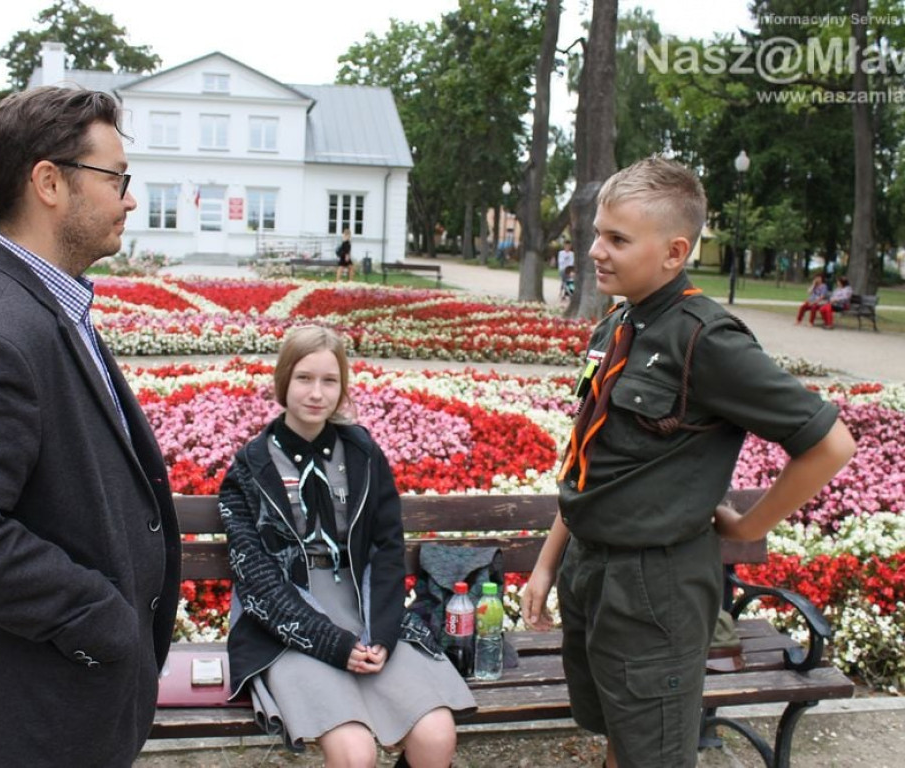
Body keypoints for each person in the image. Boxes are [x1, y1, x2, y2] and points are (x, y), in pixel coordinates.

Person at [520, 156, 856, 768]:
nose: (595, 250)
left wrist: (749, 526)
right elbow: (589, 461)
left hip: (654, 587)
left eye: (618, 239)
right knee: (622, 733)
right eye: (597, 233)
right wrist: (547, 565)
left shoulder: (708, 339)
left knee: (656, 753)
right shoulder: (617, 325)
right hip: (591, 572)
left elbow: (830, 444)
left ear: (675, 252)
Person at [0, 86, 181, 768]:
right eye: (116, 178)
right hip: (41, 709)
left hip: (66, 696)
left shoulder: (40, 301)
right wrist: (100, 620)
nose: (130, 200)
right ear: (49, 183)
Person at [219, 325, 475, 767]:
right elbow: (257, 580)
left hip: (367, 614)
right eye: (304, 378)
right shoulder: (250, 468)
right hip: (287, 627)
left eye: (329, 380)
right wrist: (330, 642)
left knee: (436, 736)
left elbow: (388, 549)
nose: (317, 393)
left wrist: (383, 636)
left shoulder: (362, 454)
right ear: (283, 380)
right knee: (355, 752)